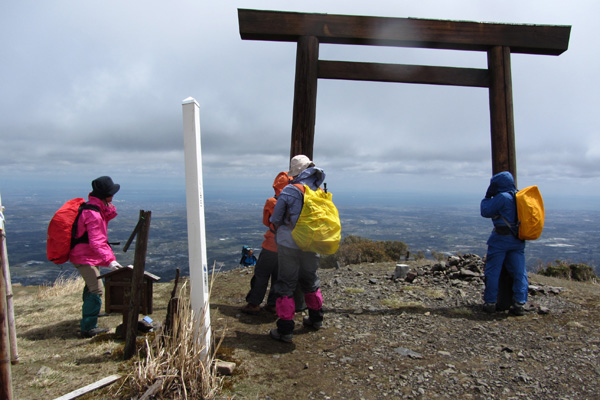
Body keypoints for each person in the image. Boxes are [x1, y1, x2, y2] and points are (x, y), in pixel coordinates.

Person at [269, 155, 325, 342]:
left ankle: (285, 330)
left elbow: (275, 219)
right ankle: (316, 319)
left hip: (289, 245)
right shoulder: (318, 189)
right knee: (311, 280)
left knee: (286, 284)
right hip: (312, 244)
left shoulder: (290, 191)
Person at [69, 176, 123, 337]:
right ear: (104, 195)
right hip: (84, 256)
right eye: (110, 193)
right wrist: (110, 261)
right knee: (96, 289)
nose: (113, 196)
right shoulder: (93, 214)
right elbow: (97, 241)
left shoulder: (95, 207)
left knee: (91, 286)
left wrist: (106, 206)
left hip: (89, 255)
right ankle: (88, 327)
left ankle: (91, 314)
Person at [241, 171, 291, 315]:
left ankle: (254, 304)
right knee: (278, 276)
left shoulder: (272, 202)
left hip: (271, 245)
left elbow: (266, 222)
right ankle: (273, 305)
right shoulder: (296, 202)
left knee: (261, 274)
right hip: (287, 246)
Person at [480, 171, 527, 316]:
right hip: (518, 239)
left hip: (501, 239)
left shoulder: (502, 198)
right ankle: (520, 303)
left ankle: (490, 303)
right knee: (520, 272)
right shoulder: (520, 197)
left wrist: (487, 196)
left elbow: (485, 211)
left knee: (493, 271)